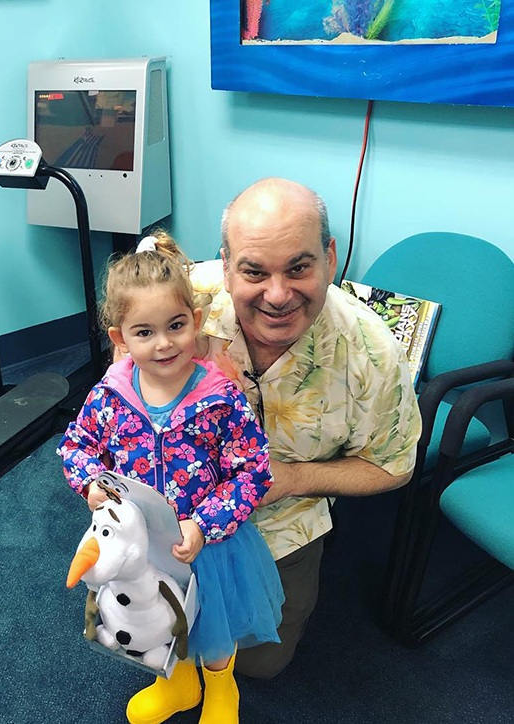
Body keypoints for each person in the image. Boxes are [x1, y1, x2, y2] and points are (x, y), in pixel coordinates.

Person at [189, 177, 422, 679]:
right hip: (177, 506)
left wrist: (291, 479)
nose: (278, 295)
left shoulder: (374, 353)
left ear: (330, 258)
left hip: (283, 524)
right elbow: (122, 357)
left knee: (258, 664)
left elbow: (393, 468)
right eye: (254, 271)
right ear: (226, 265)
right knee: (154, 630)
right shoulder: (184, 301)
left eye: (299, 267)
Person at [57, 232, 285, 724]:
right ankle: (179, 684)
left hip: (207, 542)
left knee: (213, 628)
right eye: (144, 332)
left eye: (176, 326)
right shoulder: (110, 393)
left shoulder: (220, 396)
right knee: (158, 622)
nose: (163, 344)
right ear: (120, 339)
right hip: (143, 541)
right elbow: (76, 446)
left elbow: (253, 472)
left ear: (196, 323)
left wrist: (204, 524)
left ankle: (222, 691)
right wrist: (93, 484)